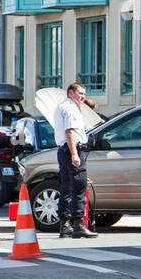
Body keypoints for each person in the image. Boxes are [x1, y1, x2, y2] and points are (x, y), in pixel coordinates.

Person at [54, 83, 97, 239]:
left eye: (84, 93)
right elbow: (70, 132)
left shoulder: (63, 106)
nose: (83, 96)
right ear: (70, 93)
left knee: (65, 188)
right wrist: (74, 154)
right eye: (80, 93)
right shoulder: (71, 107)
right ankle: (79, 225)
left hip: (63, 150)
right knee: (79, 186)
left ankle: (64, 225)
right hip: (72, 149)